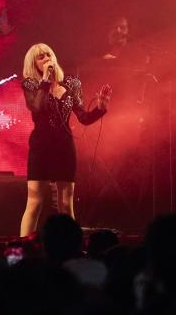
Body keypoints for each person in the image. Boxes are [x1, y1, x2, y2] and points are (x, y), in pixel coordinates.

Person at [19, 43, 111, 237]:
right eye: (40, 57)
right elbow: (37, 107)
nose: (46, 58)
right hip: (41, 147)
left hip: (64, 147)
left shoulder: (71, 83)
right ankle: (22, 249)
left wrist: (100, 108)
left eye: (48, 54)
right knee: (34, 202)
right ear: (33, 64)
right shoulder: (30, 84)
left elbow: (84, 118)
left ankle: (68, 247)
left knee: (65, 204)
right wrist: (45, 80)